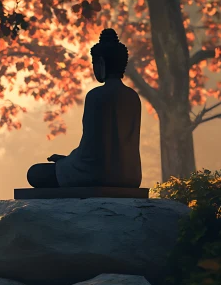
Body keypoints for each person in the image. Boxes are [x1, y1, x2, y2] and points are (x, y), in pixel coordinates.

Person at [27, 28, 142, 188]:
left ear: (101, 63)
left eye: (94, 63)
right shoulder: (133, 97)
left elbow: (90, 149)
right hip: (130, 176)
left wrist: (66, 162)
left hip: (97, 174)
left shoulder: (96, 96)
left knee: (35, 173)